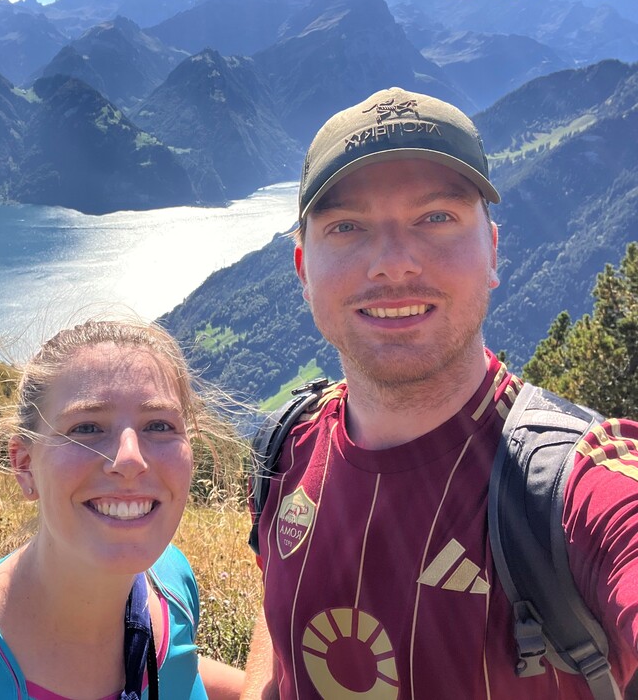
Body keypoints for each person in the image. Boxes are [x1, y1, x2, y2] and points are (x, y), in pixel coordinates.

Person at [242, 87, 638, 698]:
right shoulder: (285, 448)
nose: (394, 263)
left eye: (436, 218)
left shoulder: (575, 481)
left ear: (493, 251)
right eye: (346, 227)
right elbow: (280, 614)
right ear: (303, 272)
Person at [0, 319, 244, 699]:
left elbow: (178, 665)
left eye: (159, 425)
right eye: (87, 428)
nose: (130, 459)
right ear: (25, 465)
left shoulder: (170, 579)